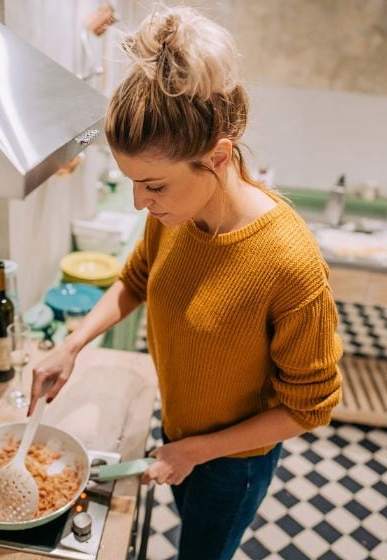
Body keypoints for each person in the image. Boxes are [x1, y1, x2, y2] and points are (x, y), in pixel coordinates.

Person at [30, 5, 343, 559]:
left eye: (153, 185)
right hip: (179, 434)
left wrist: (197, 451)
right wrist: (72, 345)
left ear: (216, 157)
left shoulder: (288, 264)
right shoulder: (173, 218)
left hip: (232, 465)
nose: (139, 203)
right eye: (132, 183)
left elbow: (310, 406)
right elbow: (136, 280)